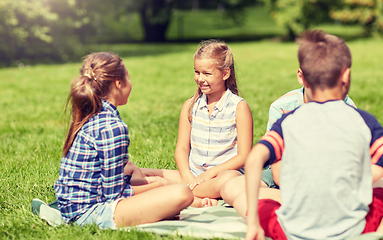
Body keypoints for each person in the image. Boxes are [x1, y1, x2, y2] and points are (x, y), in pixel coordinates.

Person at [245, 30, 383, 240]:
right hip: (351, 230)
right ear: (345, 75)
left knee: (262, 206)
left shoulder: (288, 120)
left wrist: (254, 224)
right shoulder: (363, 121)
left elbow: (254, 158)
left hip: (292, 232)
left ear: (303, 77)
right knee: (379, 193)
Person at [54, 52, 193, 229]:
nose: (131, 83)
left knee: (168, 177)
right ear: (118, 83)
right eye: (128, 77)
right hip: (90, 213)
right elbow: (113, 195)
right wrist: (158, 185)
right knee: (181, 192)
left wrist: (146, 180)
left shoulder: (92, 112)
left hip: (75, 206)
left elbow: (109, 175)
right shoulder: (112, 127)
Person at [221, 66, 357, 216]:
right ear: (301, 77)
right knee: (230, 188)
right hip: (284, 178)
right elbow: (277, 172)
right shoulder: (282, 108)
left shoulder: (345, 106)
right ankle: (298, 201)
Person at [142, 40, 254, 207]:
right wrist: (187, 176)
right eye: (197, 72)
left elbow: (244, 156)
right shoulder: (190, 106)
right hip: (193, 175)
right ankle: (194, 195)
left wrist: (209, 175)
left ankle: (172, 190)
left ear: (225, 74)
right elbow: (181, 149)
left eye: (207, 74)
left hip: (220, 176)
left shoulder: (239, 107)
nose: (200, 79)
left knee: (229, 180)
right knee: (142, 173)